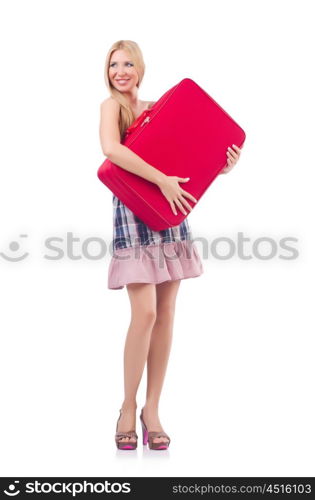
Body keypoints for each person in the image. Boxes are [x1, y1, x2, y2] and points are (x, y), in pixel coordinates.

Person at [99, 40, 241, 450]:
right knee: (143, 313)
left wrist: (224, 161)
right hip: (134, 211)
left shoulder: (162, 107)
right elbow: (111, 150)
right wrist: (160, 178)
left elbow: (190, 157)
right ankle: (128, 407)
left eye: (127, 63)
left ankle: (152, 409)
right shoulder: (112, 108)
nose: (120, 71)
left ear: (140, 67)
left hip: (170, 213)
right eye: (113, 65)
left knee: (165, 314)